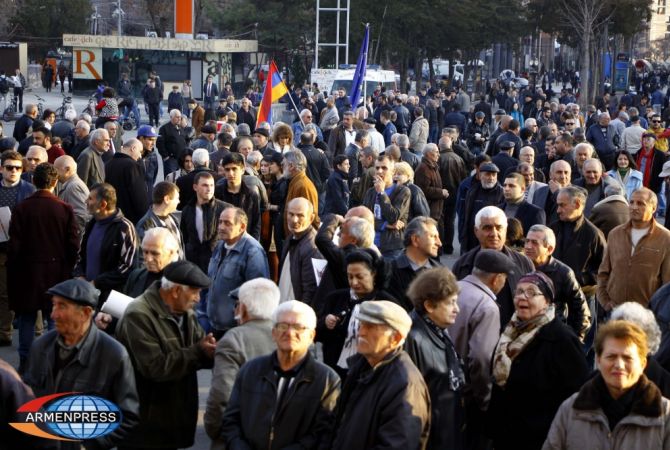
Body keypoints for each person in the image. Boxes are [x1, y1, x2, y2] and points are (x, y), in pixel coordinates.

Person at [23, 279, 139, 449]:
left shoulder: (113, 355)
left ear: (86, 313)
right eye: (54, 305)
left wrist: (89, 445)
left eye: (62, 306)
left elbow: (127, 416)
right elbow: (26, 400)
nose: (53, 314)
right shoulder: (41, 346)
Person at [116, 260, 216, 450]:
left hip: (172, 419)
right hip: (145, 424)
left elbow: (198, 349)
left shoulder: (187, 313)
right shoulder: (138, 315)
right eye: (194, 291)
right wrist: (198, 351)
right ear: (176, 291)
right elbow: (155, 367)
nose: (198, 298)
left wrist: (209, 352)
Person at [487, 272, 589, 450]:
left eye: (531, 293)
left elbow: (578, 396)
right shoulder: (510, 331)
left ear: (548, 302)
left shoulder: (562, 340)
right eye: (519, 292)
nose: (522, 297)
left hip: (542, 439)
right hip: (506, 435)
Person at [221, 300, 340, 448]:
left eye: (298, 327)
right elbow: (231, 421)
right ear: (273, 333)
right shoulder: (250, 371)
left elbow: (324, 433)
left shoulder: (327, 380)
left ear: (311, 336)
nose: (289, 333)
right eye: (283, 326)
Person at [543, 321, 670, 449]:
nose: (619, 365)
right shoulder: (571, 409)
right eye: (611, 357)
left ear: (643, 364)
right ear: (598, 361)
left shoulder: (665, 415)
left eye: (627, 358)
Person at [324, 300, 431, 450]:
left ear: (396, 339)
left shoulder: (405, 384)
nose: (360, 332)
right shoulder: (361, 367)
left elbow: (398, 444)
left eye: (371, 327)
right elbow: (336, 425)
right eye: (361, 324)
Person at [8, 163, 79, 372]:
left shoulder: (23, 208)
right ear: (55, 182)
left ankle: (26, 362)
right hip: (56, 271)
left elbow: (15, 245)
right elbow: (73, 244)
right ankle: (53, 361)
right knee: (54, 318)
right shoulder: (64, 209)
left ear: (32, 181)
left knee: (27, 319)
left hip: (27, 272)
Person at [449, 249, 516, 450]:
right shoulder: (487, 306)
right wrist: (485, 400)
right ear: (497, 279)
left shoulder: (454, 288)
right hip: (466, 397)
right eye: (504, 279)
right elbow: (481, 359)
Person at [204, 278, 280, 449]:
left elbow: (221, 396)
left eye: (237, 305)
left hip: (238, 436)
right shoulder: (288, 337)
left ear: (243, 308)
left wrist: (216, 431)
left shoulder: (233, 340)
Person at [405, 267, 465, 450]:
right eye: (451, 303)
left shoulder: (437, 329)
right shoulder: (413, 337)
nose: (457, 309)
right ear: (429, 306)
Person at [453, 206, 535, 329]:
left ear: (506, 230)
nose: (494, 233)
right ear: (476, 231)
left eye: (499, 228)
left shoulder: (524, 263)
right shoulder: (462, 265)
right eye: (487, 228)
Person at [318, 249, 395, 374]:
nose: (354, 282)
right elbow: (316, 334)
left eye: (360, 277)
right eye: (350, 276)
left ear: (374, 274)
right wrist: (325, 323)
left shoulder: (386, 303)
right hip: (334, 370)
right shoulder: (334, 299)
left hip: (370, 372)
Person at [598, 187, 670, 309]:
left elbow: (667, 283)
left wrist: (657, 311)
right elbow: (603, 272)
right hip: (614, 310)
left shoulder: (665, 238)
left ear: (653, 208)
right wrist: (605, 302)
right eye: (631, 202)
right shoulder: (615, 234)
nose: (634, 207)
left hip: (646, 314)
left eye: (641, 203)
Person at [207, 207, 269, 336]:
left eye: (227, 223)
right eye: (220, 222)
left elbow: (258, 292)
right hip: (213, 324)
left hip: (236, 329)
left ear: (241, 227)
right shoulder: (220, 246)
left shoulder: (253, 251)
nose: (221, 227)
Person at [73, 183, 138, 303]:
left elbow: (127, 267)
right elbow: (80, 255)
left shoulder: (124, 227)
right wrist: (80, 276)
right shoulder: (91, 224)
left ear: (103, 204)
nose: (86, 201)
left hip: (111, 299)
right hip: (87, 295)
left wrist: (96, 283)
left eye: (90, 198)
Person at [523, 224, 590, 340]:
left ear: (549, 249)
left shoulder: (563, 273)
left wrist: (574, 341)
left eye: (534, 243)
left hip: (551, 338)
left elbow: (581, 311)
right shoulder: (517, 266)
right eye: (527, 241)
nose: (528, 246)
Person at [387, 216, 443, 310]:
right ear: (415, 240)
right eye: (433, 236)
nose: (439, 243)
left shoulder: (440, 271)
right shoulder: (390, 272)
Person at [362, 154, 411, 258]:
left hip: (391, 248)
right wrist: (385, 225)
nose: (380, 171)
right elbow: (364, 219)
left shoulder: (402, 191)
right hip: (371, 245)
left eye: (384, 168)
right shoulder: (370, 192)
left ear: (393, 172)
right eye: (377, 168)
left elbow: (393, 217)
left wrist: (381, 193)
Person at [180, 171, 227, 273]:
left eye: (211, 185)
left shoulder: (225, 209)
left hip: (218, 265)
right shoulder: (187, 210)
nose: (209, 189)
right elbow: (185, 236)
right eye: (205, 185)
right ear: (195, 187)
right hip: (194, 266)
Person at [278, 197, 322, 305]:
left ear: (311, 218)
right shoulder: (291, 238)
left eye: (300, 215)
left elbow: (310, 290)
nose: (294, 220)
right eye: (291, 214)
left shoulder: (313, 248)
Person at [214, 152, 261, 240]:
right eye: (227, 169)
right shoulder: (217, 192)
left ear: (242, 170)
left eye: (234, 169)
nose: (230, 173)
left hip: (245, 242)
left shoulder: (251, 195)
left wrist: (252, 245)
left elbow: (256, 224)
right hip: (222, 242)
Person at [104, 138, 148, 224]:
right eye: (140, 151)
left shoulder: (108, 164)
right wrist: (145, 217)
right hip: (131, 219)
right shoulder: (132, 166)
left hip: (113, 215)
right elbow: (139, 196)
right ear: (133, 148)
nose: (140, 156)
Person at [135, 181, 183, 257]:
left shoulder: (173, 219)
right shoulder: (146, 225)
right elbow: (143, 258)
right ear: (167, 199)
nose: (179, 201)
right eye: (177, 198)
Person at [54, 155, 91, 237]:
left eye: (56, 169)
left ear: (67, 169)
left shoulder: (74, 186)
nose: (54, 173)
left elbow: (82, 216)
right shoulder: (71, 185)